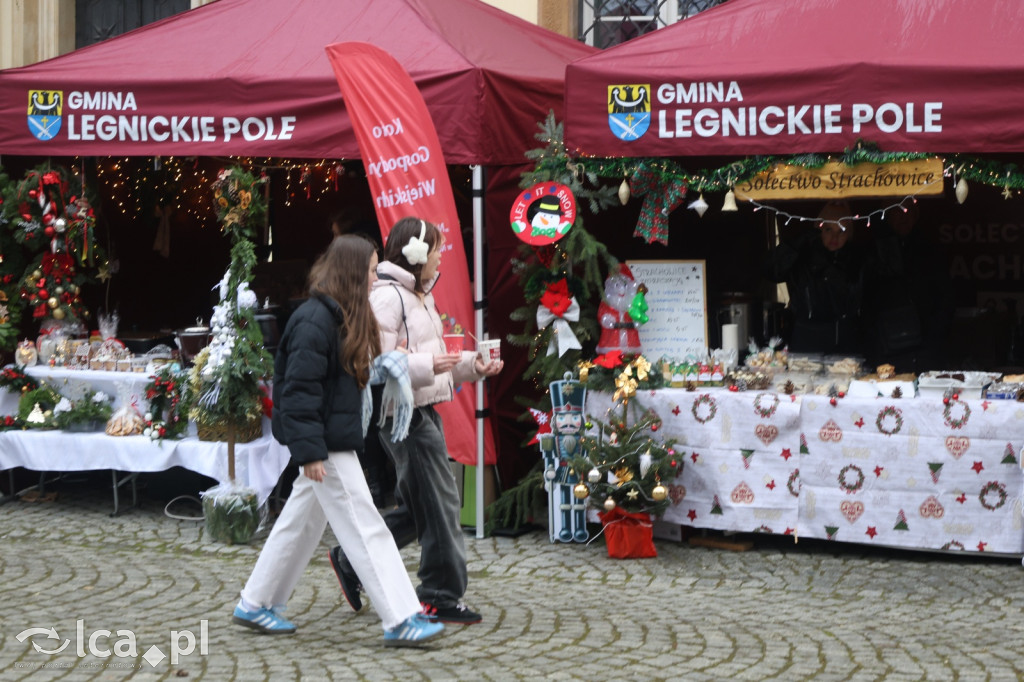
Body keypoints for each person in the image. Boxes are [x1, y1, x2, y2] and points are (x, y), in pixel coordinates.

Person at [231, 235, 444, 647]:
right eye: (370, 271)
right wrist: (310, 452)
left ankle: (256, 602)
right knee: (366, 526)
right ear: (351, 272)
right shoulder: (316, 320)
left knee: (299, 525)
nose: (374, 279)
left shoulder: (336, 316)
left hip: (327, 441)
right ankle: (401, 617)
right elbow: (298, 393)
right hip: (325, 446)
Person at [329, 216, 503, 626]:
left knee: (421, 505)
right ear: (417, 254)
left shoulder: (418, 295)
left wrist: (472, 366)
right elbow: (374, 363)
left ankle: (352, 560)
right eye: (437, 248)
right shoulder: (389, 299)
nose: (442, 256)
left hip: (420, 408)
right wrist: (428, 363)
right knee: (441, 503)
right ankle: (439, 594)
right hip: (402, 416)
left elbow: (430, 362)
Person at [764, 200, 865, 355]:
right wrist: (795, 245)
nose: (834, 237)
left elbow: (853, 297)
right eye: (829, 229)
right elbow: (772, 271)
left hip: (843, 341)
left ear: (849, 233)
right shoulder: (803, 256)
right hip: (806, 339)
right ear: (819, 229)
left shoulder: (856, 260)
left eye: (841, 231)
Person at [862, 201, 953, 373]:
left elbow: (945, 298)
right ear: (887, 214)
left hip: (926, 348)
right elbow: (867, 304)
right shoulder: (874, 252)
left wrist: (935, 334)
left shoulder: (929, 249)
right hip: (887, 349)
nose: (904, 216)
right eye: (897, 211)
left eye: (909, 211)